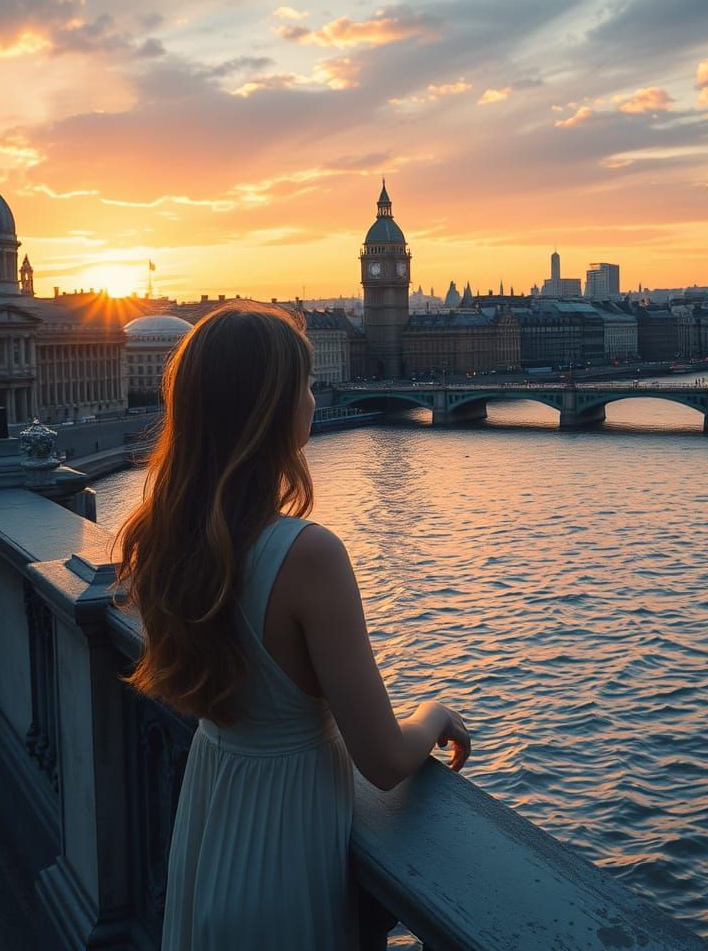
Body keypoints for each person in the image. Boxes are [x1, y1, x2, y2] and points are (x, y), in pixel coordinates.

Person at [116, 302, 470, 950]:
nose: (315, 397)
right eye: (305, 384)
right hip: (281, 846)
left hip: (210, 820)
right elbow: (386, 760)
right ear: (272, 408)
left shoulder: (170, 540)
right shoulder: (308, 555)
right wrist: (435, 712)